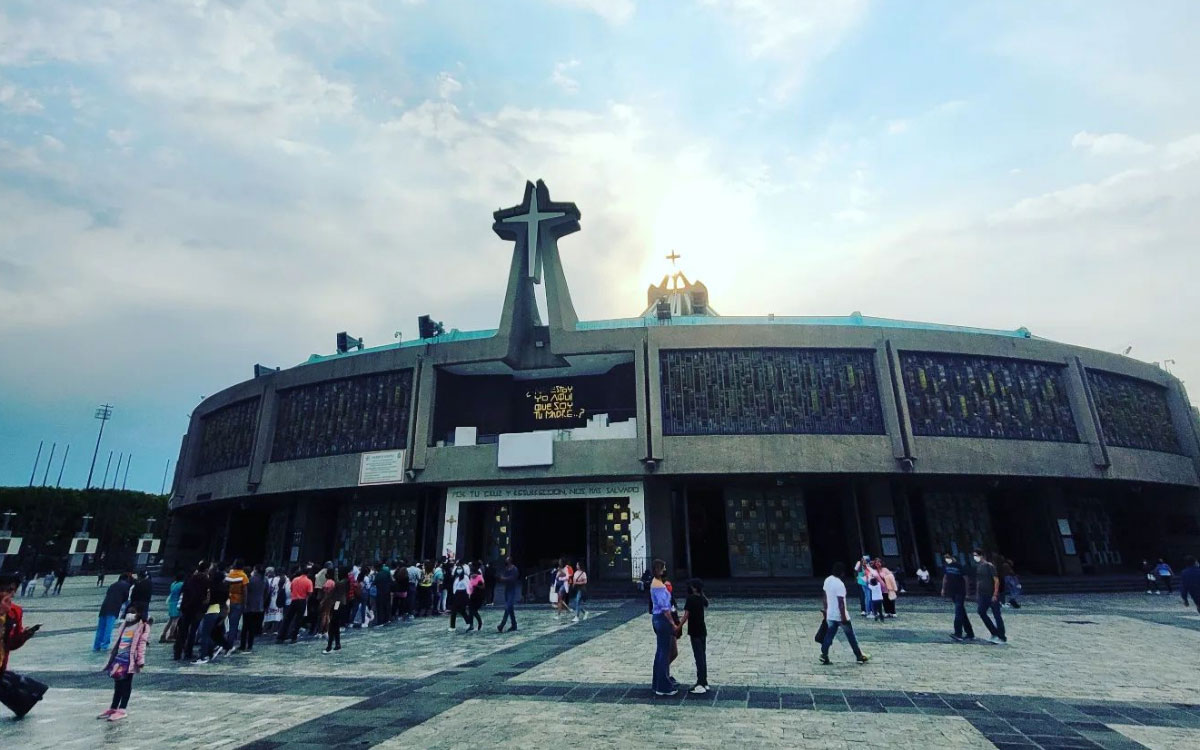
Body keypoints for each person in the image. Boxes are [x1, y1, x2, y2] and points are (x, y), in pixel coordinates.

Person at [1, 573, 44, 719]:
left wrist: (24, 636)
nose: (11, 594)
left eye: (13, 590)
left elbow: (11, 644)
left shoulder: (15, 611)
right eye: (7, 590)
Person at [98, 601, 150, 722]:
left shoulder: (142, 626)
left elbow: (142, 644)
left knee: (126, 684)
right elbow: (118, 640)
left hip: (129, 660)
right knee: (117, 683)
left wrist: (140, 660)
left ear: (139, 614)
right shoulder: (125, 624)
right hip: (119, 659)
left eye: (133, 612)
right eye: (128, 612)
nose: (129, 614)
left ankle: (122, 709)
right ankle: (113, 707)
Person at [820, 562, 870, 665]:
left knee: (829, 636)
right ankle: (859, 655)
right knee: (851, 637)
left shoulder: (828, 580)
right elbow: (841, 603)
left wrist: (826, 610)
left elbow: (824, 597)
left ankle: (824, 654)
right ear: (842, 573)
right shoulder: (840, 584)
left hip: (830, 614)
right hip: (840, 615)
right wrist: (843, 616)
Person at [675, 578, 709, 694]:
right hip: (702, 630)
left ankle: (700, 683)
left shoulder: (691, 599)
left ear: (694, 587)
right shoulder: (701, 598)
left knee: (698, 657)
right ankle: (704, 681)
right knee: (702, 657)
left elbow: (685, 616)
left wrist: (678, 627)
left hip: (694, 631)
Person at [649, 559, 678, 695]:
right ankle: (663, 686)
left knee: (661, 651)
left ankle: (658, 683)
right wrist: (672, 622)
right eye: (663, 568)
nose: (665, 570)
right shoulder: (659, 586)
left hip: (658, 618)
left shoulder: (656, 584)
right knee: (663, 652)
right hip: (662, 619)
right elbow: (665, 607)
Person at [175, 562, 211, 661]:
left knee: (183, 630)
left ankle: (177, 653)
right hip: (198, 608)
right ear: (206, 569)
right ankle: (188, 652)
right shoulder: (206, 580)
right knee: (193, 631)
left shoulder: (190, 578)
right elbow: (207, 595)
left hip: (186, 607)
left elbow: (183, 591)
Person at [973, 549, 1007, 645]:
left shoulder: (989, 566)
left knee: (997, 615)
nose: (975, 557)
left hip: (991, 594)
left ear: (981, 555)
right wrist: (977, 594)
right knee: (981, 612)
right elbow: (978, 581)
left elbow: (996, 580)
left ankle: (1001, 636)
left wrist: (995, 594)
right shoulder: (979, 566)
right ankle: (994, 632)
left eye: (976, 555)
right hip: (983, 595)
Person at [940, 552, 975, 642]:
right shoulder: (946, 567)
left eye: (948, 557)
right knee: (962, 613)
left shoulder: (959, 566)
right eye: (945, 557)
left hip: (960, 591)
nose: (946, 559)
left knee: (958, 612)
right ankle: (970, 633)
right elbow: (945, 578)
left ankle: (958, 633)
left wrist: (967, 592)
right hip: (952, 592)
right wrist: (943, 589)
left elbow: (966, 579)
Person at [94, 573, 132, 652]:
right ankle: (105, 646)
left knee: (101, 628)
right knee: (108, 628)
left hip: (104, 608)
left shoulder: (112, 585)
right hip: (114, 608)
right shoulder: (126, 586)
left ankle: (96, 646)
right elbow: (126, 598)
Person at [279, 567, 313, 644]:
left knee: (288, 619)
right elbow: (310, 593)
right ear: (308, 573)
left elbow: (291, 589)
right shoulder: (308, 581)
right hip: (302, 600)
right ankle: (293, 637)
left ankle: (281, 636)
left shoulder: (295, 579)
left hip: (294, 600)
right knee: (298, 620)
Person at [224, 560, 249, 653]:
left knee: (227, 622)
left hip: (228, 600)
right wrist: (245, 604)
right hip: (238, 601)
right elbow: (245, 591)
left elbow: (225, 586)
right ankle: (229, 644)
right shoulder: (243, 576)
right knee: (234, 624)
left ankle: (224, 641)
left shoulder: (229, 575)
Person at [240, 565, 267, 652]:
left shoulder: (250, 580)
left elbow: (245, 592)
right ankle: (250, 645)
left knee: (245, 627)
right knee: (252, 628)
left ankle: (243, 645)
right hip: (259, 606)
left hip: (249, 606)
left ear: (255, 570)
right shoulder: (265, 580)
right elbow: (267, 592)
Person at [324, 571, 346, 654]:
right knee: (335, 625)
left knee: (333, 623)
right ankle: (337, 644)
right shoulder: (343, 583)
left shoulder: (339, 583)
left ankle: (329, 646)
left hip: (337, 603)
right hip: (339, 603)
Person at [160, 573, 185, 643]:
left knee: (170, 620)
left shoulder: (173, 584)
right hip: (177, 603)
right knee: (175, 621)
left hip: (171, 602)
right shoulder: (181, 584)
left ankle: (163, 634)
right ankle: (170, 635)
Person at [497, 557, 520, 633]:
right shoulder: (506, 569)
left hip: (512, 590)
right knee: (510, 608)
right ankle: (514, 624)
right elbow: (502, 577)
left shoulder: (514, 569)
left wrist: (504, 578)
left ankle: (502, 624)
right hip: (507, 589)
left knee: (508, 606)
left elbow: (513, 578)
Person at [448, 565, 471, 631]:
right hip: (456, 594)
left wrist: (468, 595)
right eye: (457, 569)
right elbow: (454, 587)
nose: (459, 570)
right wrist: (454, 594)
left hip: (463, 594)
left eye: (460, 568)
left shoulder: (465, 577)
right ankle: (453, 626)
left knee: (461, 610)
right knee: (455, 611)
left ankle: (468, 623)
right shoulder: (456, 577)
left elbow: (468, 586)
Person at [264, 567, 286, 633]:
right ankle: (275, 629)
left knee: (268, 615)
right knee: (277, 615)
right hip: (278, 600)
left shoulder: (269, 580)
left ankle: (266, 629)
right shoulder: (283, 579)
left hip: (271, 600)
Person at [467, 562, 485, 631]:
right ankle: (471, 625)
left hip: (478, 596)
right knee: (470, 611)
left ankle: (480, 622)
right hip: (472, 595)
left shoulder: (479, 577)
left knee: (473, 611)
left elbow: (483, 586)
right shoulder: (471, 576)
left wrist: (476, 586)